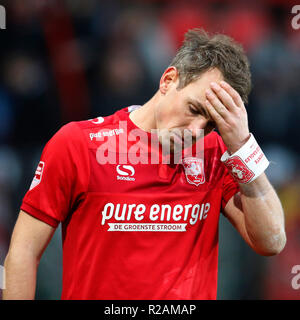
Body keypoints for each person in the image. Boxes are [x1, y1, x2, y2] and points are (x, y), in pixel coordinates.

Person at [3, 29, 286, 300]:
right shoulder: (78, 144)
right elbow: (24, 250)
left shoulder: (216, 153)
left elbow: (271, 241)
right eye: (194, 109)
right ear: (168, 80)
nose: (196, 130)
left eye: (211, 123)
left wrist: (241, 146)